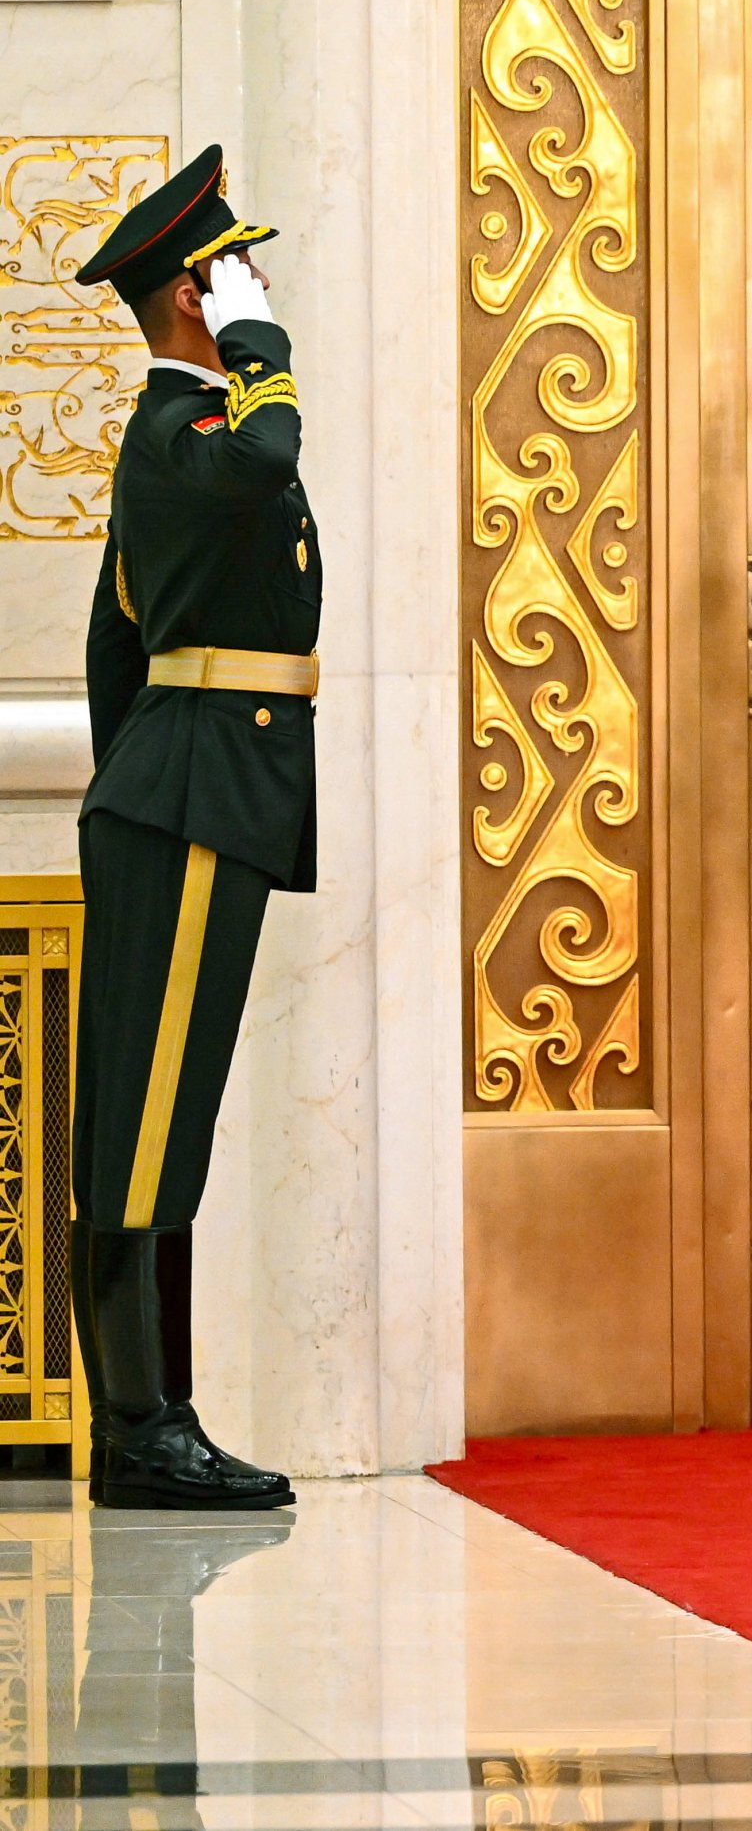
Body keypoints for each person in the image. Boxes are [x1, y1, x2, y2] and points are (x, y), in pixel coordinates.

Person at [69, 147, 310, 1512]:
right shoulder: (188, 432)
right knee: (147, 1116)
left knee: (163, 1111)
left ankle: (145, 1417)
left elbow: (113, 648)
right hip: (193, 791)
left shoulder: (184, 444)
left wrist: (132, 789)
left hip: (182, 789)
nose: (258, 287)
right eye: (235, 273)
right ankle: (144, 1426)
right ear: (189, 302)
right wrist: (257, 344)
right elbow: (270, 442)